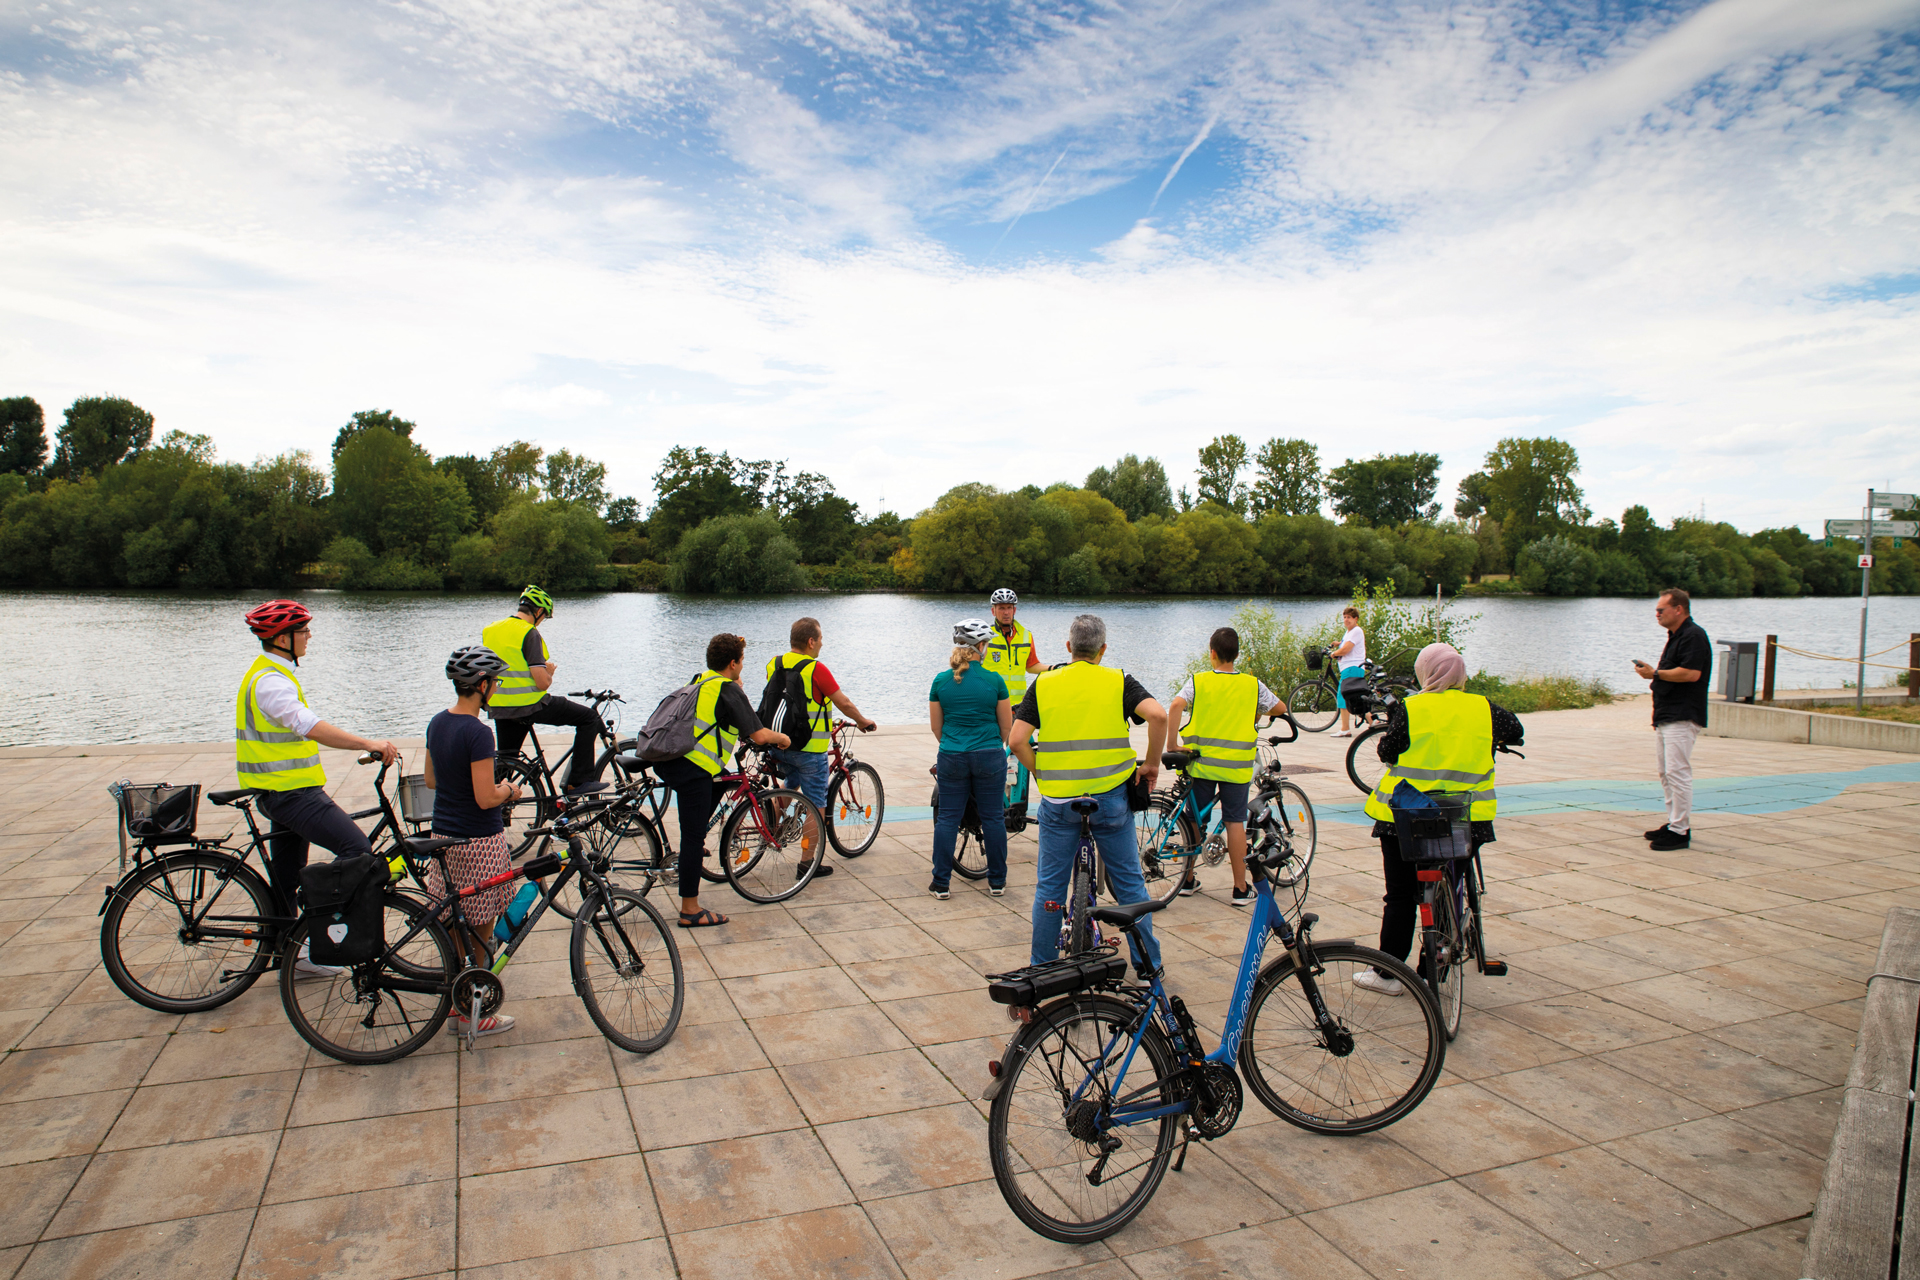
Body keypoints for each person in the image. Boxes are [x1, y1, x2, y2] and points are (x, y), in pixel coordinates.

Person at [235, 600, 399, 977]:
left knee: (287, 875)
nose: (309, 636)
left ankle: (289, 953)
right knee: (356, 850)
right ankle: (326, 936)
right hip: (292, 794)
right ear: (282, 638)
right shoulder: (271, 682)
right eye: (303, 631)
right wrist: (367, 743)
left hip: (280, 792)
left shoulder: (268, 673)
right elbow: (308, 725)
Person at [1357, 642, 1520, 995]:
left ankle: (1389, 974)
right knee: (1450, 887)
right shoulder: (1483, 707)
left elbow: (1387, 750)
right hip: (1465, 818)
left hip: (1406, 817)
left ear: (1424, 672)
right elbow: (1515, 729)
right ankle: (1436, 967)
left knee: (1400, 896)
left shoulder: (1411, 707)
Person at [1009, 614, 1167, 973]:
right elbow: (1158, 717)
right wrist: (1152, 765)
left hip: (1060, 800)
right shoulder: (1117, 680)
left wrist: (1040, 771)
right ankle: (1148, 967)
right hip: (1110, 799)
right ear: (1103, 649)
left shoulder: (1045, 684)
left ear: (1068, 647)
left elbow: (1016, 740)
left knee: (1050, 887)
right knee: (1129, 883)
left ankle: (1043, 968)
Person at [421, 646, 525, 1039]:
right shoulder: (478, 731)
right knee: (482, 927)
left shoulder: (437, 722)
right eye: (494, 681)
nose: (496, 687)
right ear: (482, 686)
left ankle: (455, 1000)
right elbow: (485, 798)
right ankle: (472, 1013)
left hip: (443, 834)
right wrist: (509, 791)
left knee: (452, 921)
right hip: (479, 839)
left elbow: (431, 780)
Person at [654, 633, 792, 927]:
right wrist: (781, 738)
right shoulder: (728, 689)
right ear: (733, 663)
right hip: (692, 768)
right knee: (692, 839)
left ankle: (696, 842)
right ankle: (690, 910)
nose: (743, 665)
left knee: (709, 799)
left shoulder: (701, 679)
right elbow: (758, 734)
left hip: (672, 761)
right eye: (742, 660)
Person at [1165, 626, 1286, 906]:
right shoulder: (1252, 685)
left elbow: (1175, 706)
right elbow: (1279, 708)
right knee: (1235, 822)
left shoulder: (1199, 681)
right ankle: (1240, 888)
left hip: (1202, 765)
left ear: (1212, 654)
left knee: (1194, 821)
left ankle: (1188, 878)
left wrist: (1172, 745)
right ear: (1237, 655)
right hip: (1236, 768)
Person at [764, 617, 877, 879]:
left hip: (779, 742)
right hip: (809, 748)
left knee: (790, 783)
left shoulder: (775, 662)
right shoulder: (817, 669)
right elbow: (843, 703)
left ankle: (773, 825)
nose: (822, 644)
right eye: (821, 639)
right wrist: (862, 721)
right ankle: (807, 864)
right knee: (816, 803)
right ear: (811, 641)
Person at [481, 585, 606, 795]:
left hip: (499, 706)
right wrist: (549, 672)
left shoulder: (491, 629)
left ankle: (494, 807)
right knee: (589, 718)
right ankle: (579, 781)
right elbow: (541, 683)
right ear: (538, 612)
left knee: (507, 761)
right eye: (544, 616)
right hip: (530, 705)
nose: (542, 621)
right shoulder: (529, 633)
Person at [928, 619, 1012, 899]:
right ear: (981, 647)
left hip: (952, 755)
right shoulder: (995, 680)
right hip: (989, 754)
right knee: (993, 818)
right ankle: (997, 881)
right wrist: (988, 746)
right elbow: (1006, 727)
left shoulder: (940, 681)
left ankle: (941, 883)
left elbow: (936, 728)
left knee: (948, 819)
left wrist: (954, 744)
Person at [1635, 589, 1710, 852]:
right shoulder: (1676, 636)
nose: (1656, 614)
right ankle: (1674, 822)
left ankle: (1680, 831)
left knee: (1678, 773)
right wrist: (1655, 675)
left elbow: (1691, 674)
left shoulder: (1694, 636)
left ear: (1678, 609)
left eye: (1661, 609)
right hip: (1667, 714)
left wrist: (1655, 674)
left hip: (1683, 714)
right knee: (1666, 773)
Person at [982, 589, 1050, 828]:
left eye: (1009, 607)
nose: (1006, 611)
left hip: (1020, 709)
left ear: (1015, 610)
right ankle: (995, 804)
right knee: (992, 757)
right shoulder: (985, 636)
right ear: (993, 611)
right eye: (1001, 608)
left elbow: (1032, 665)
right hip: (991, 708)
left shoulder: (1026, 635)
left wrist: (1053, 669)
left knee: (1027, 755)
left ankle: (1051, 801)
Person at [1330, 605, 1367, 737]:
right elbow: (1346, 644)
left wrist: (1334, 653)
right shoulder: (1349, 632)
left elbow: (1347, 649)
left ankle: (1345, 729)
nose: (1346, 620)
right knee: (1356, 696)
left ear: (1356, 619)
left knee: (1343, 696)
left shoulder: (1356, 631)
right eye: (1345, 617)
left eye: (1349, 618)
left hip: (1352, 668)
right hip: (1350, 668)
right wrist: (1338, 643)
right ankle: (1372, 722)